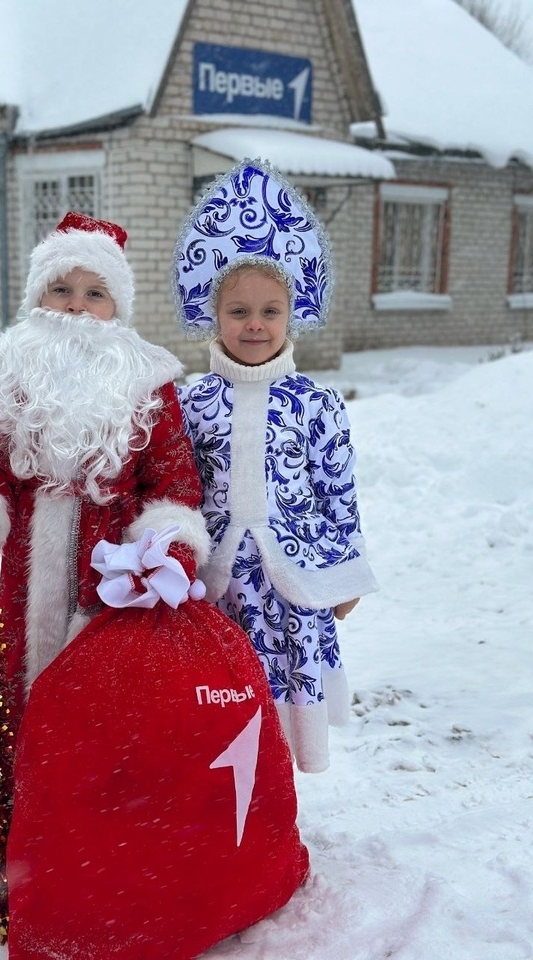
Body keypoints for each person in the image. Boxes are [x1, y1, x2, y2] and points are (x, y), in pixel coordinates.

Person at [0, 212, 210, 741]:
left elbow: (172, 479)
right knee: (20, 673)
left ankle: (96, 778)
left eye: (95, 293)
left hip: (115, 564)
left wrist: (168, 546)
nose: (76, 305)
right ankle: (26, 776)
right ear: (38, 297)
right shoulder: (12, 369)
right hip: (27, 562)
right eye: (61, 289)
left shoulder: (146, 381)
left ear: (116, 308)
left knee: (105, 688)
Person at [172, 160, 378, 774]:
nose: (255, 324)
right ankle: (225, 799)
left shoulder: (315, 403)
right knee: (221, 698)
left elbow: (337, 492)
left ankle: (274, 797)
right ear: (213, 314)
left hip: (292, 582)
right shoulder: (190, 401)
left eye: (270, 311)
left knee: (281, 704)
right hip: (216, 586)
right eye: (238, 311)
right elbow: (177, 486)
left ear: (293, 313)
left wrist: (345, 575)